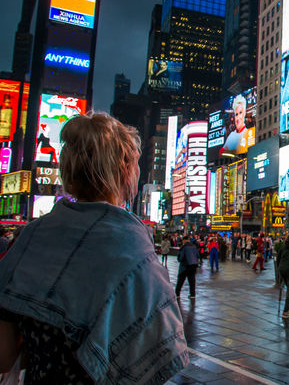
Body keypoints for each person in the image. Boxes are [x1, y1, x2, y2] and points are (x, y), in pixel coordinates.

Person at [0, 112, 188, 383]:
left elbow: (4, 354)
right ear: (125, 169)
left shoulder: (31, 235)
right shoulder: (133, 248)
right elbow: (159, 355)